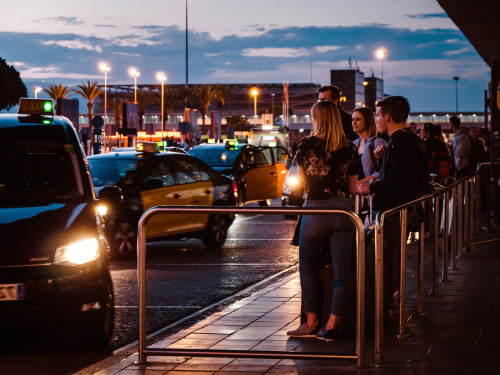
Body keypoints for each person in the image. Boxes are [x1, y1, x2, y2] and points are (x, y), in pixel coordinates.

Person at [287, 100, 358, 342]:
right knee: (343, 272)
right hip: (343, 212)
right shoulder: (350, 148)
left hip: (316, 210)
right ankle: (332, 324)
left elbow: (301, 182)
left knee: (307, 266)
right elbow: (352, 187)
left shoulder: (306, 145)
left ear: (317, 118)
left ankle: (311, 321)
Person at [357, 99, 424, 317]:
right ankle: (386, 304)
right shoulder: (404, 139)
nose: (376, 119)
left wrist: (371, 188)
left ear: (387, 117)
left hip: (395, 209)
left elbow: (399, 178)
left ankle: (385, 305)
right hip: (399, 207)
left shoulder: (400, 140)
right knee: (389, 256)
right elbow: (397, 172)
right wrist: (381, 160)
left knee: (389, 258)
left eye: (377, 115)